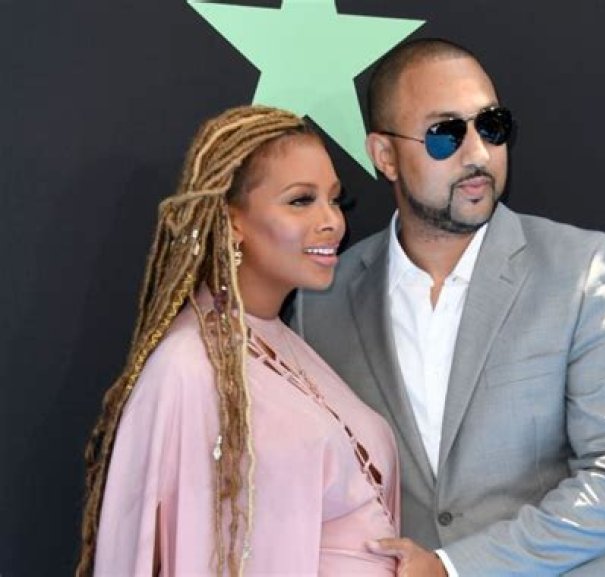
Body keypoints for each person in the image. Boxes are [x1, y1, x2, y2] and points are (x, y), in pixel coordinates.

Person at [292, 38, 605, 576]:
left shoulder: (583, 271)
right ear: (385, 155)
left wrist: (453, 567)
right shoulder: (321, 300)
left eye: (491, 126)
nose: (478, 154)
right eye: (445, 134)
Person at [75, 105, 400, 577]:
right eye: (301, 200)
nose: (332, 221)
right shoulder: (187, 367)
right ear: (232, 222)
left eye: (335, 200)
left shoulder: (287, 345)